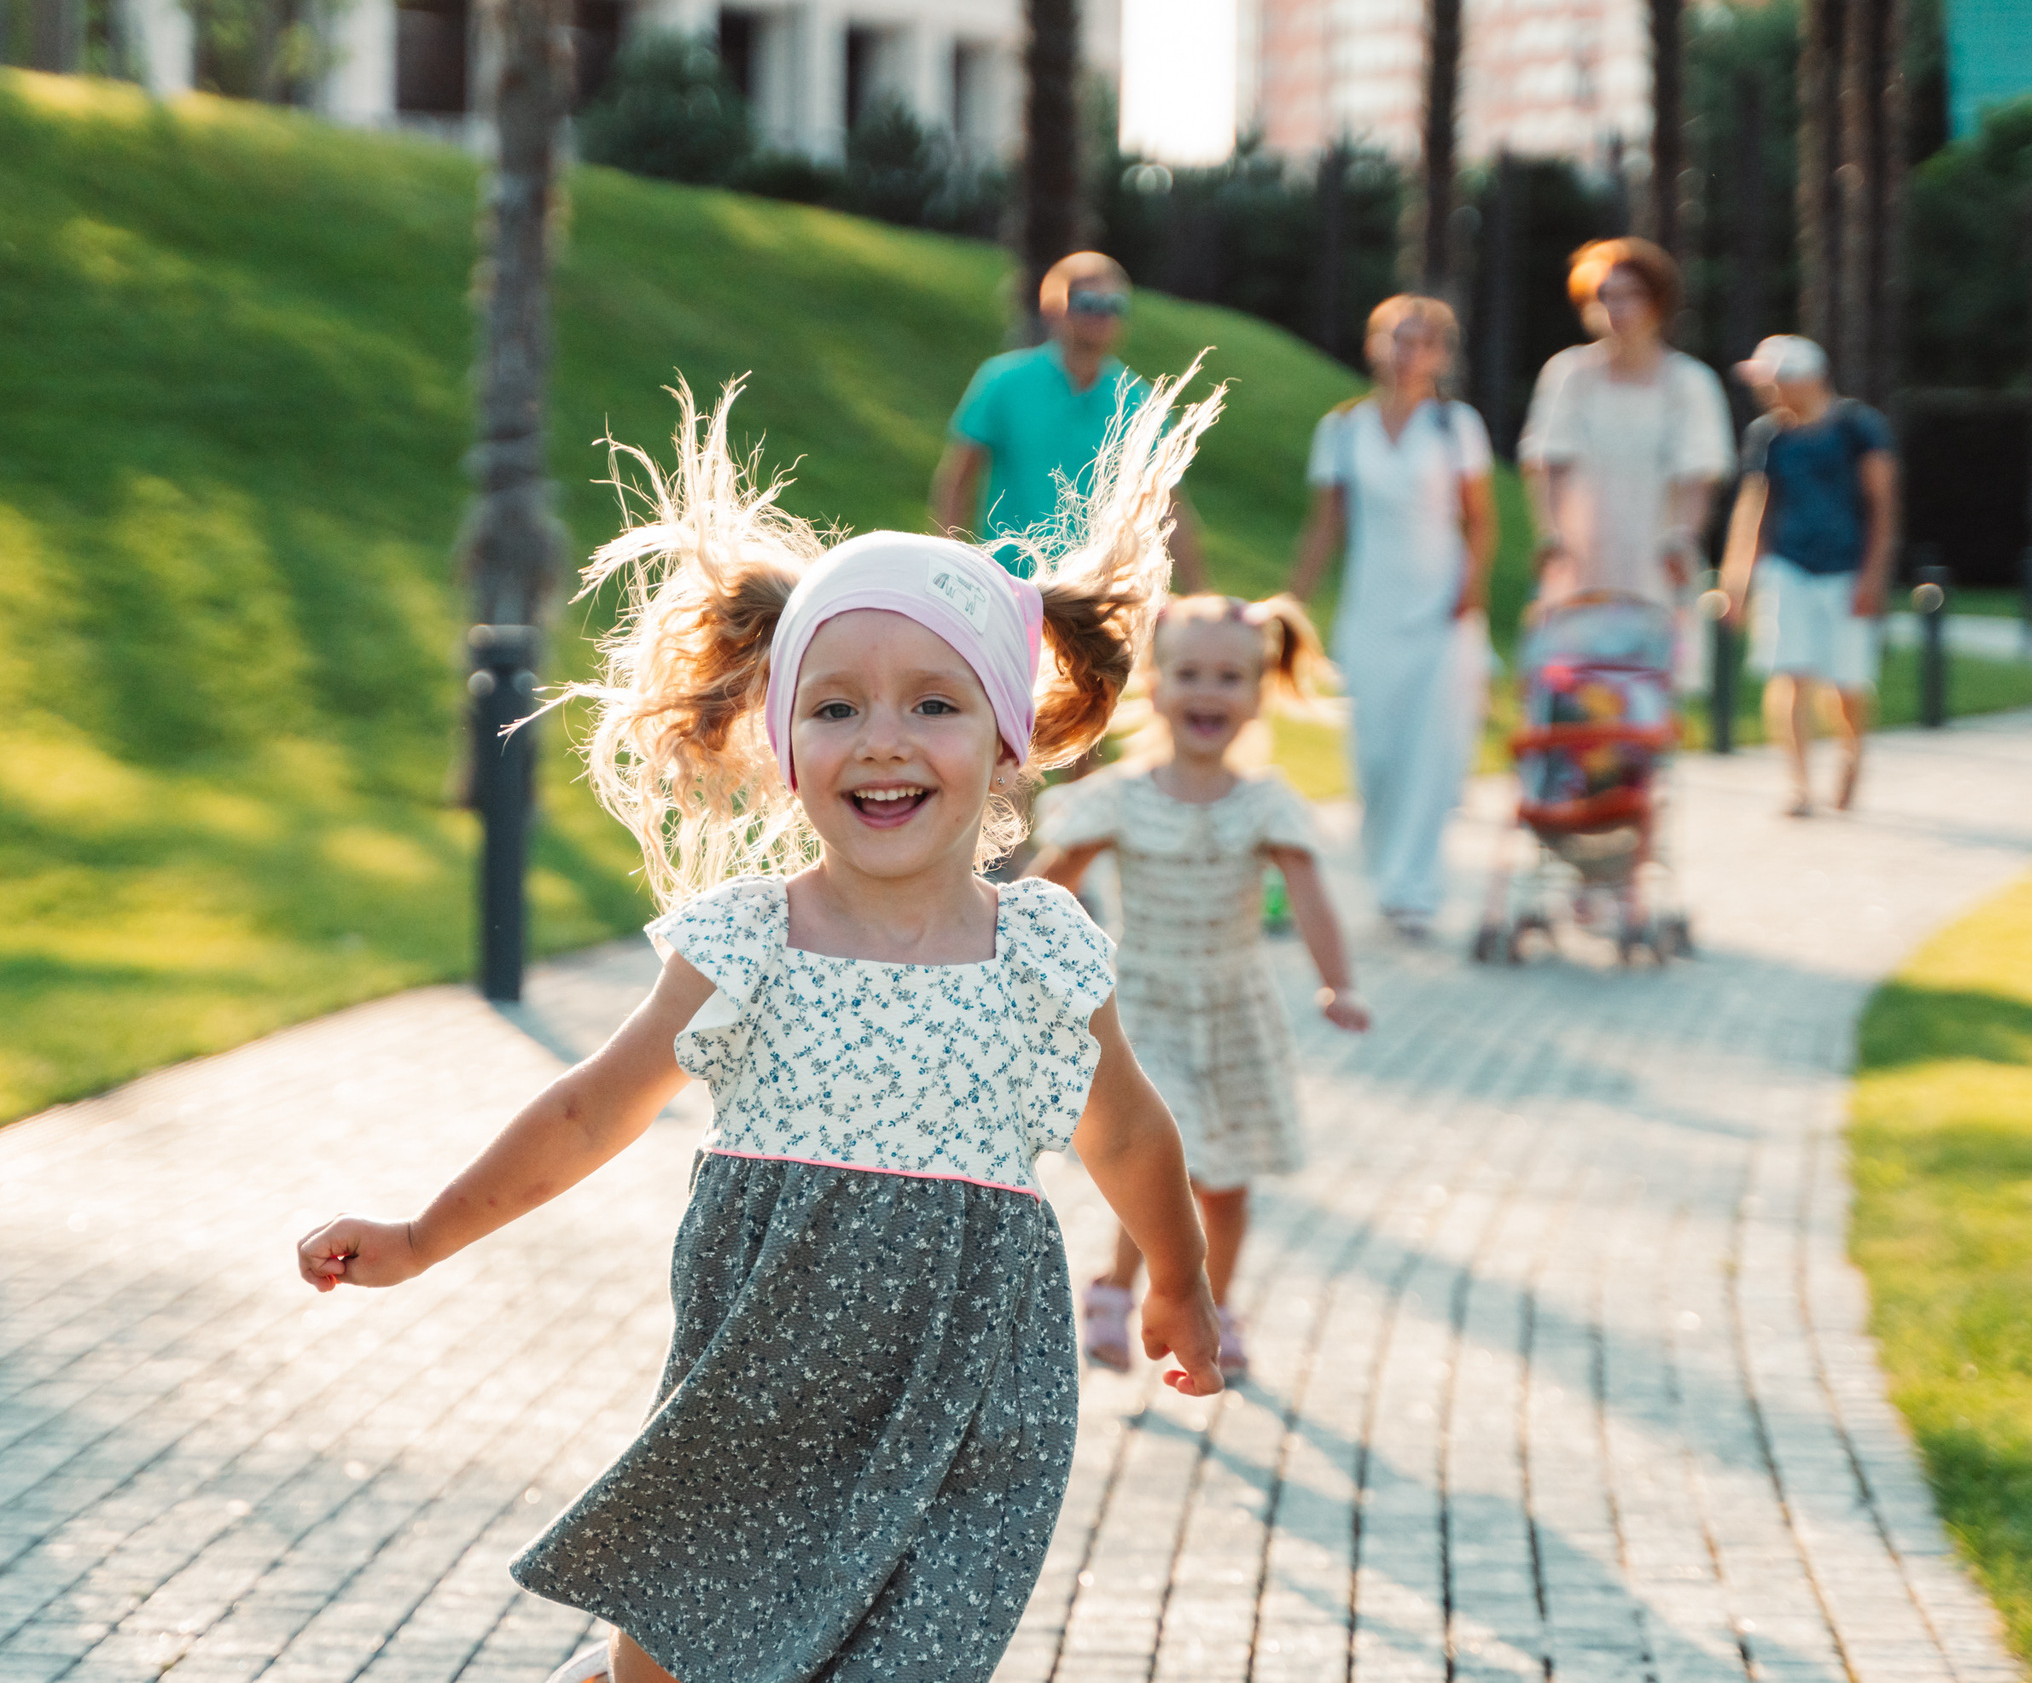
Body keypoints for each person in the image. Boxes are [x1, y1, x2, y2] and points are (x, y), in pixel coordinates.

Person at [294, 371, 1231, 1683]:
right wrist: (418, 1236)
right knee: (672, 1663)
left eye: (935, 703)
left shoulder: (1042, 951)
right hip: (755, 1391)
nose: (882, 741)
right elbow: (588, 1110)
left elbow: (1126, 1134)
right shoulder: (748, 940)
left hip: (967, 1408)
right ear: (785, 743)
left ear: (1008, 739)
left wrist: (1178, 1282)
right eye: (836, 706)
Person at [1029, 595, 1371, 1380]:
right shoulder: (1120, 796)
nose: (1208, 693)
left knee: (1227, 1185)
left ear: (1258, 693)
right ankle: (1118, 1291)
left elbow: (1312, 899)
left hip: (1235, 1014)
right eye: (1189, 674)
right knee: (1161, 1163)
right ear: (1156, 686)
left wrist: (1339, 985)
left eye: (1230, 677)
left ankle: (1215, 1308)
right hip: (1146, 1007)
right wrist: (1003, 949)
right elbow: (1048, 886)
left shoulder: (1267, 804)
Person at [1287, 294, 1496, 938]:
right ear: (1375, 344)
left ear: (1441, 355)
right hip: (1370, 610)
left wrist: (1470, 594)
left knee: (1431, 755)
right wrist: (1292, 604)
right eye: (1398, 338)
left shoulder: (1456, 427)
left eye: (1424, 342)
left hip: (1441, 614)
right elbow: (1325, 526)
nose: (1409, 353)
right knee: (1374, 754)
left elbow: (1481, 521)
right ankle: (1384, 876)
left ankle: (1417, 891)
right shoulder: (1343, 429)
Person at [933, 249, 1209, 591]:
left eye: (1115, 305)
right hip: (1008, 586)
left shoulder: (1142, 400)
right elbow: (958, 481)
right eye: (1088, 303)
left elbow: (1167, 505)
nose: (1102, 315)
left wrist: (1200, 592)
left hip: (1096, 597)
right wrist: (948, 571)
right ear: (1054, 307)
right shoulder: (1003, 381)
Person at [1715, 333, 1901, 815]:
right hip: (1788, 566)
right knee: (1790, 672)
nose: (1766, 391)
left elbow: (1882, 508)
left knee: (1848, 682)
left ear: (1806, 379)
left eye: (1774, 380)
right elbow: (1755, 508)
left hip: (1847, 569)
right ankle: (1799, 784)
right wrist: (1737, 580)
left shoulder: (1859, 428)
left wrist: (1874, 577)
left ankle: (1851, 757)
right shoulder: (1767, 435)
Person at [1518, 236, 1735, 609]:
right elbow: (1549, 463)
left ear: (1657, 300)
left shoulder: (1691, 382)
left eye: (1631, 295)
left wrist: (1682, 538)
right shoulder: (1568, 373)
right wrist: (1552, 535)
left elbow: (1699, 476)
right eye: (1604, 295)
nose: (1616, 308)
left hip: (1658, 565)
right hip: (1580, 565)